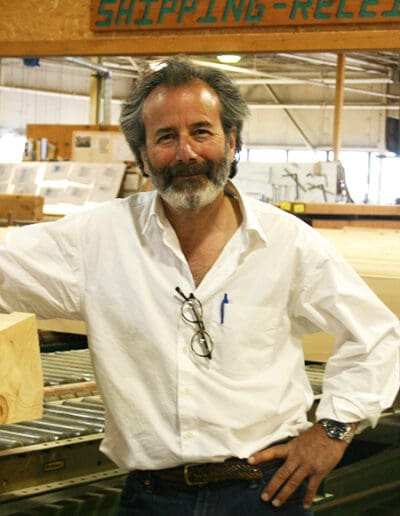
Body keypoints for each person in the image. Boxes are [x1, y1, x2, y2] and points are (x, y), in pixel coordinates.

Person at [0, 56, 399, 515]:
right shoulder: (96, 241)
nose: (186, 152)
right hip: (153, 497)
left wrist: (331, 432)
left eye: (201, 132)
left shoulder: (287, 242)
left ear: (231, 141)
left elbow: (377, 336)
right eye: (166, 137)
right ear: (144, 155)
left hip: (266, 493)